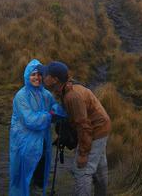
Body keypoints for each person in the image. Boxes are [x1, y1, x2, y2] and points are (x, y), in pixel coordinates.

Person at [41, 61, 111, 196]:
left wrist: (83, 154)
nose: (43, 76)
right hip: (102, 126)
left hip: (95, 130)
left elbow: (83, 126)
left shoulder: (72, 96)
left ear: (55, 80)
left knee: (82, 171)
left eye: (46, 75)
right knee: (99, 166)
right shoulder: (67, 87)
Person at [9, 59, 66, 196]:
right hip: (24, 144)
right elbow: (30, 120)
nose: (37, 77)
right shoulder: (21, 96)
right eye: (33, 74)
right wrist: (49, 115)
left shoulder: (45, 94)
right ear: (27, 76)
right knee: (23, 175)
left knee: (40, 173)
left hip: (42, 142)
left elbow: (56, 108)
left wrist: (59, 111)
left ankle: (38, 190)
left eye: (39, 74)